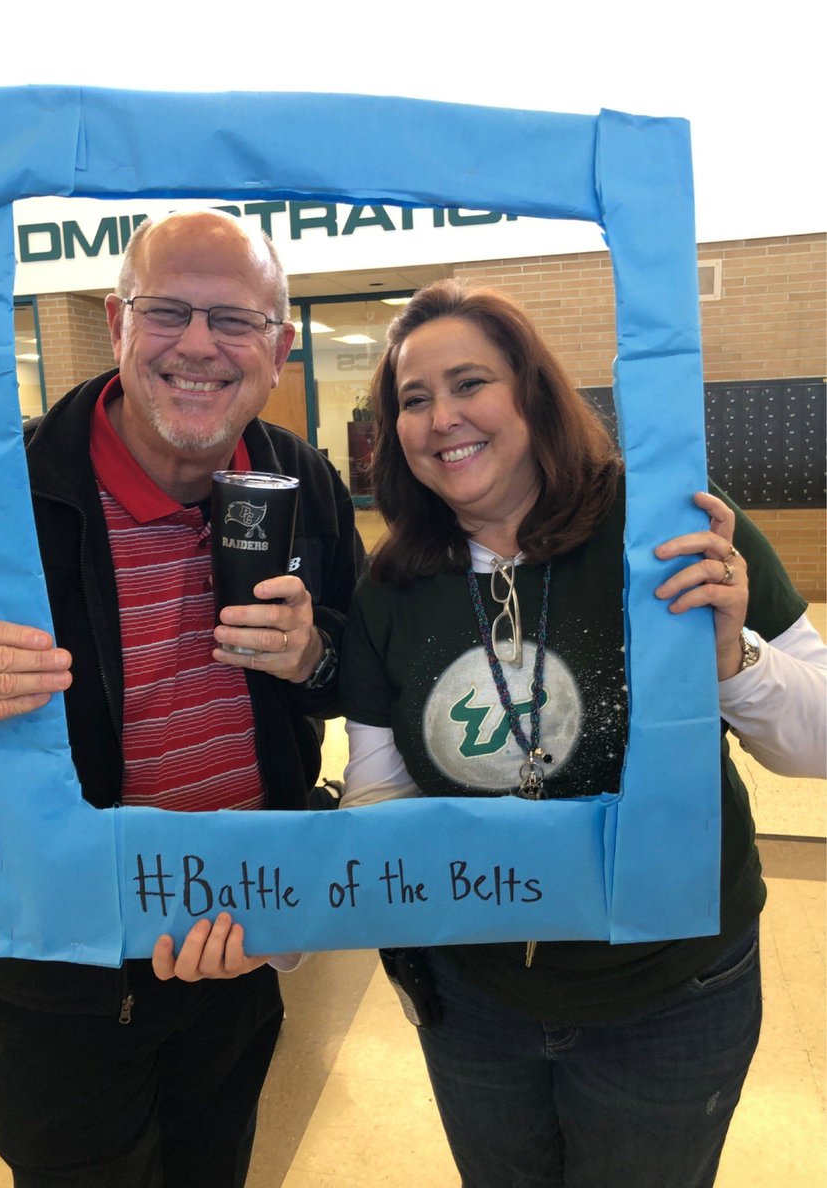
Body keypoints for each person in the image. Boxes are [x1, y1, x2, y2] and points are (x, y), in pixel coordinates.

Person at [336, 281, 826, 1188]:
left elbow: (816, 747)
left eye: (469, 382)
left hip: (672, 992)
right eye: (412, 399)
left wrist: (732, 657)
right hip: (476, 1001)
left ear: (531, 391)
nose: (442, 418)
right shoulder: (391, 588)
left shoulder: (671, 531)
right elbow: (377, 792)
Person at [0, 210, 363, 1188]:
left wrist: (316, 658)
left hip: (239, 967)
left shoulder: (304, 482)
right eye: (167, 312)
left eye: (235, 320)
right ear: (119, 325)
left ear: (279, 345)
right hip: (55, 1001)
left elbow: (364, 676)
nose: (200, 344)